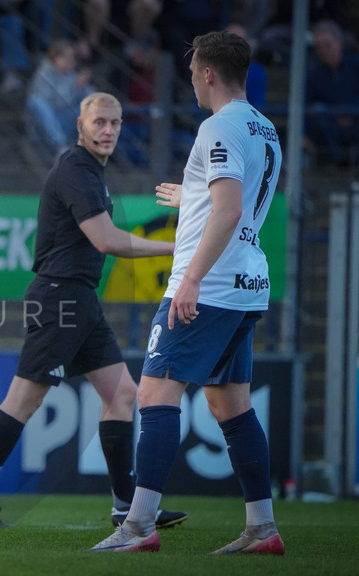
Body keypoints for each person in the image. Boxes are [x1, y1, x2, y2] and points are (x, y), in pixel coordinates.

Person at [0, 92, 185, 530]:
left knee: (122, 394)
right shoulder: (76, 169)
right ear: (80, 124)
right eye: (99, 122)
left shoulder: (92, 172)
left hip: (80, 299)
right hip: (60, 297)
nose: (108, 130)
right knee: (25, 398)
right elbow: (107, 240)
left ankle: (126, 508)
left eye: (115, 123)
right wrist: (176, 248)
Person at [91, 30, 284, 554]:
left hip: (212, 286)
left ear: (206, 74)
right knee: (231, 405)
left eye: (193, 72)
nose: (193, 82)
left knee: (154, 395)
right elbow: (228, 199)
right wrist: (193, 195)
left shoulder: (216, 126)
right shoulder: (264, 128)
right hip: (247, 285)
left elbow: (228, 210)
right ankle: (262, 528)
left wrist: (192, 277)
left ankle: (137, 527)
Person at [26, 40, 95, 157]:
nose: (69, 61)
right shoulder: (44, 73)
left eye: (71, 58)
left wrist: (85, 86)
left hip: (63, 122)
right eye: (65, 57)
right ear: (54, 57)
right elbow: (54, 104)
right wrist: (74, 86)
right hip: (43, 126)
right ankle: (61, 145)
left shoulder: (72, 74)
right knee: (35, 101)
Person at [304, 19, 359, 167]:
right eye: (319, 47)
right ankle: (336, 162)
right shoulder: (314, 74)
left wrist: (349, 113)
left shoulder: (355, 67)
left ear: (339, 42)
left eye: (327, 45)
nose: (323, 51)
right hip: (328, 128)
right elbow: (307, 106)